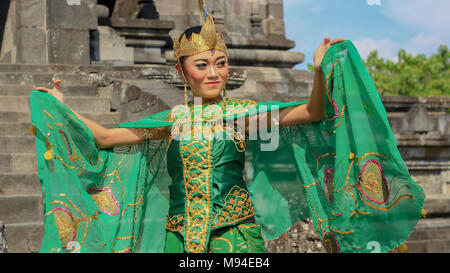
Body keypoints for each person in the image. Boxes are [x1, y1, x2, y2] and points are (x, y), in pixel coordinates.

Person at [31, 0, 425, 253]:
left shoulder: (243, 116)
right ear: (182, 71)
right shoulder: (172, 121)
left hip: (235, 240)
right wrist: (60, 107)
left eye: (220, 62)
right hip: (178, 241)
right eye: (202, 65)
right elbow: (103, 137)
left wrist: (319, 70)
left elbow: (311, 112)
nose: (214, 72)